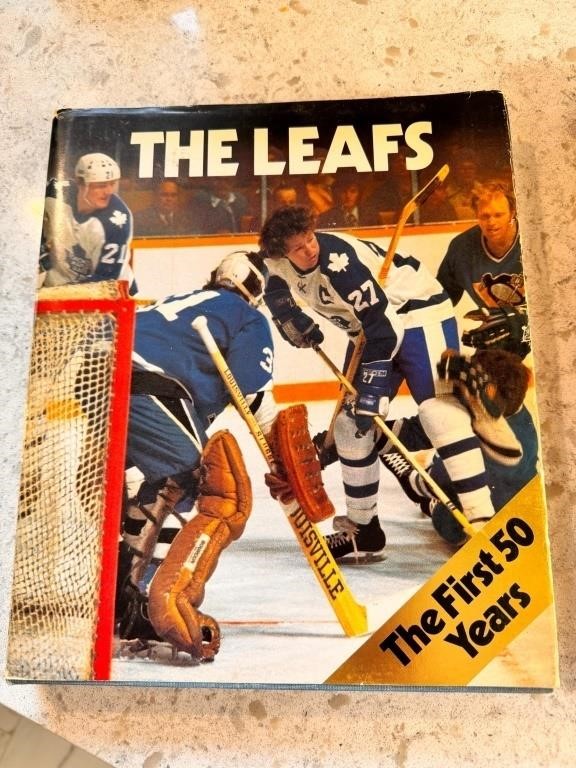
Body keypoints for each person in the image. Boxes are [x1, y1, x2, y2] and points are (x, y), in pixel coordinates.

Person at [259, 205, 497, 563]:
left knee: (439, 412)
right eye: (297, 247)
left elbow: (385, 329)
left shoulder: (340, 264)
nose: (309, 249)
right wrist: (285, 313)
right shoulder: (275, 263)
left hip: (418, 313)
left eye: (309, 239)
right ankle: (364, 530)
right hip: (370, 328)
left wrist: (372, 387)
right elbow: (270, 279)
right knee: (350, 426)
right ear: (282, 253)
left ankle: (482, 521)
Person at [116, 251, 281, 659]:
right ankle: (152, 603)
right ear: (257, 292)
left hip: (94, 370)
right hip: (147, 383)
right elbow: (255, 397)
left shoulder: (183, 300)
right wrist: (285, 462)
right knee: (206, 483)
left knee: (146, 488)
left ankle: (121, 593)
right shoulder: (247, 317)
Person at [380, 348, 538, 545]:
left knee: (443, 499)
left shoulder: (485, 444)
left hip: (465, 526)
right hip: (524, 517)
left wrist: (378, 434)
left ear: (486, 392)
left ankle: (420, 488)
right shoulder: (519, 416)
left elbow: (439, 478)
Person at [436, 180, 529, 358]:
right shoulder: (461, 249)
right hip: (498, 336)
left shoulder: (536, 240)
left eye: (498, 215)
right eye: (485, 216)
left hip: (543, 331)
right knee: (482, 382)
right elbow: (442, 301)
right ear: (476, 214)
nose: (491, 222)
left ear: (513, 213)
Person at [39, 152, 137, 294]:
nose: (109, 191)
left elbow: (106, 281)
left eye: (112, 184)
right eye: (101, 185)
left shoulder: (117, 221)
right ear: (80, 183)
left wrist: (58, 294)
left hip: (112, 297)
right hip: (56, 291)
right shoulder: (52, 193)